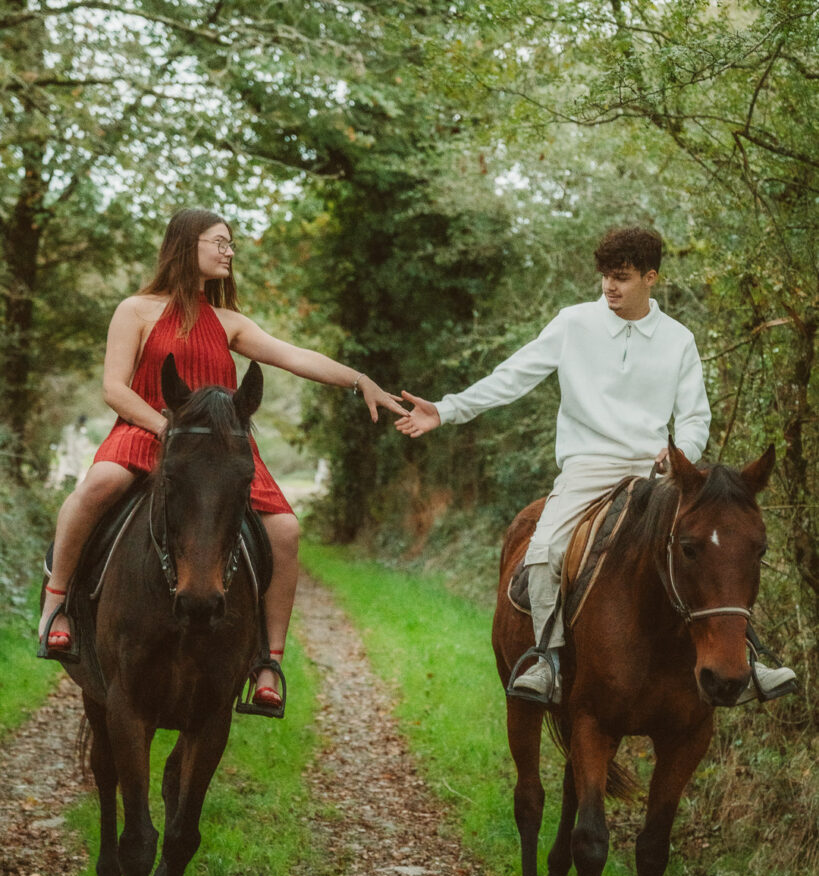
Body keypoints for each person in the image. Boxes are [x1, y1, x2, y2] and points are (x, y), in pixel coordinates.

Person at [395, 226, 797, 706]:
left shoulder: (679, 340)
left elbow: (694, 417)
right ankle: (547, 661)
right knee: (543, 551)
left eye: (622, 277)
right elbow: (512, 378)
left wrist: (679, 453)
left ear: (651, 278)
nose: (610, 286)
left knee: (720, 547)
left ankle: (752, 660)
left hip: (658, 474)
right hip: (588, 467)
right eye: (606, 276)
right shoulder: (574, 324)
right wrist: (446, 409)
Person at [38, 208, 406, 713]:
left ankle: (267, 662)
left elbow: (295, 355)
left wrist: (361, 380)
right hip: (149, 431)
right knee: (98, 484)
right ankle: (57, 605)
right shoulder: (137, 310)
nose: (229, 251)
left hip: (220, 450)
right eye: (219, 242)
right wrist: (165, 426)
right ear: (186, 245)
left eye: (230, 243)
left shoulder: (229, 322)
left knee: (286, 533)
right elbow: (113, 388)